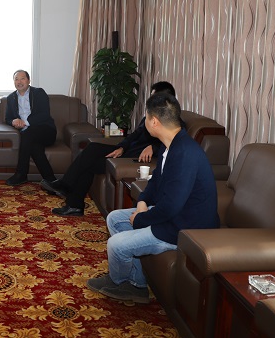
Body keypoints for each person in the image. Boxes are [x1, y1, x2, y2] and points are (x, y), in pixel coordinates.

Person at [86, 92, 219, 303]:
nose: (145, 121)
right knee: (114, 219)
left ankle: (119, 282)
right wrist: (142, 201)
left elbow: (171, 207)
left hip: (185, 228)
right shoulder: (171, 145)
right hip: (174, 217)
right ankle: (137, 283)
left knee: (115, 245)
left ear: (154, 121)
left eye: (146, 117)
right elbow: (156, 180)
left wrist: (141, 219)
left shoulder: (184, 154)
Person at [45, 81, 176, 216]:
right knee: (92, 148)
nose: (150, 101)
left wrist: (153, 147)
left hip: (134, 159)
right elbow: (134, 135)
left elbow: (174, 143)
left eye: (154, 97)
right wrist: (121, 147)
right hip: (127, 151)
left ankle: (73, 202)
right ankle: (66, 186)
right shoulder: (149, 117)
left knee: (89, 164)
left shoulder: (175, 123)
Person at [4, 70, 58, 186]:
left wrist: (25, 122)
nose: (19, 82)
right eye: (16, 79)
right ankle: (51, 181)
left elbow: (45, 114)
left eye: (22, 78)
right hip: (29, 136)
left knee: (27, 135)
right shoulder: (10, 98)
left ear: (28, 80)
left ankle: (21, 174)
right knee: (34, 147)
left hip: (46, 131)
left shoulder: (39, 93)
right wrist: (13, 121)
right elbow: (7, 118)